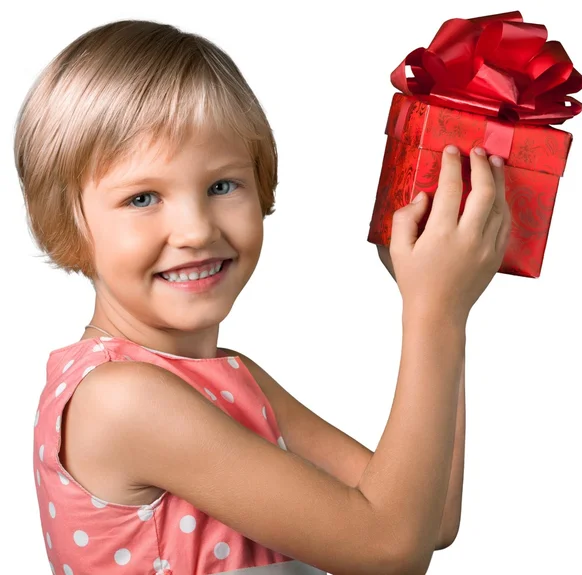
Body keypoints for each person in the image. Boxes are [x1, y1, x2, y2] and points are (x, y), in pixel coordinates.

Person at [15, 19, 511, 575]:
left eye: (222, 186)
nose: (196, 230)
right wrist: (433, 312)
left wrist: (443, 302)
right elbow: (389, 551)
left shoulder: (225, 376)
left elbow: (430, 517)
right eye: (143, 197)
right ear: (66, 222)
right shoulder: (119, 399)